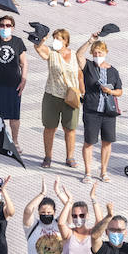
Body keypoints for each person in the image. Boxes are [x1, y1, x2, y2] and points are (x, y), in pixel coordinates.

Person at [77, 34, 123, 182]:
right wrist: (90, 41)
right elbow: (78, 55)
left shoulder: (113, 71)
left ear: (106, 53)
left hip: (108, 111)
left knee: (107, 142)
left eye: (100, 53)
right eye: (95, 53)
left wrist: (110, 91)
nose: (97, 55)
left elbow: (120, 91)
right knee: (89, 142)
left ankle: (104, 171)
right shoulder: (89, 66)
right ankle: (88, 172)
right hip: (92, 111)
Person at [35, 29, 81, 169]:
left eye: (59, 38)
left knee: (70, 128)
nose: (56, 41)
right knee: (50, 128)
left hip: (71, 97)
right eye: (54, 38)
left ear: (66, 41)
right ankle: (48, 157)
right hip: (52, 95)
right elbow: (38, 48)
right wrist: (42, 39)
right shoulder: (51, 53)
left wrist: (83, 93)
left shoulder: (74, 55)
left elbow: (80, 75)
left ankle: (70, 157)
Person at [0, 15, 28, 152]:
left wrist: (24, 79)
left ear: (13, 27)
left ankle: (15, 142)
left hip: (14, 84)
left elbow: (24, 63)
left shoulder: (18, 42)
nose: (5, 28)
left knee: (14, 116)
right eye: (2, 25)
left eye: (8, 25)